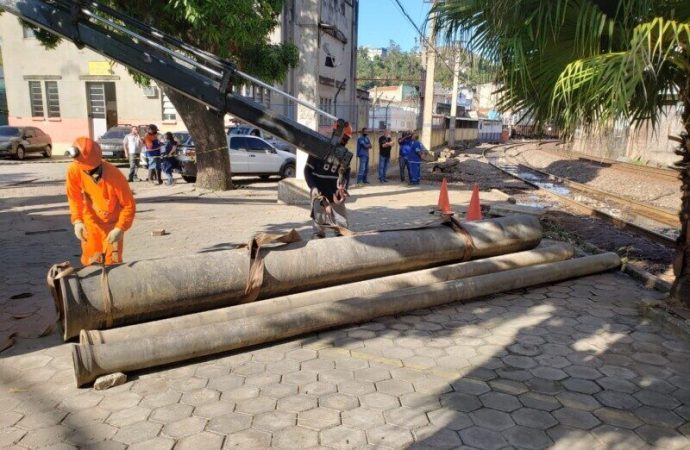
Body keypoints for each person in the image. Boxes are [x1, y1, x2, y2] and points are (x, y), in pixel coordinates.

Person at [65, 137, 135, 266]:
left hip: (112, 225)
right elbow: (74, 197)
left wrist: (120, 228)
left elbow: (128, 206)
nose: (90, 173)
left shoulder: (115, 176)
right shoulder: (75, 169)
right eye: (86, 170)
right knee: (90, 261)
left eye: (92, 169)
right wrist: (77, 221)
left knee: (112, 263)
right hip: (90, 222)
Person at [304, 122, 352, 239]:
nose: (345, 141)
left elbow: (346, 175)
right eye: (344, 138)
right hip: (319, 194)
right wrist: (313, 187)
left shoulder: (345, 156)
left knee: (342, 227)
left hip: (335, 194)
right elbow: (307, 171)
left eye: (347, 139)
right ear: (336, 134)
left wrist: (343, 189)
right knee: (318, 227)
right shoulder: (318, 150)